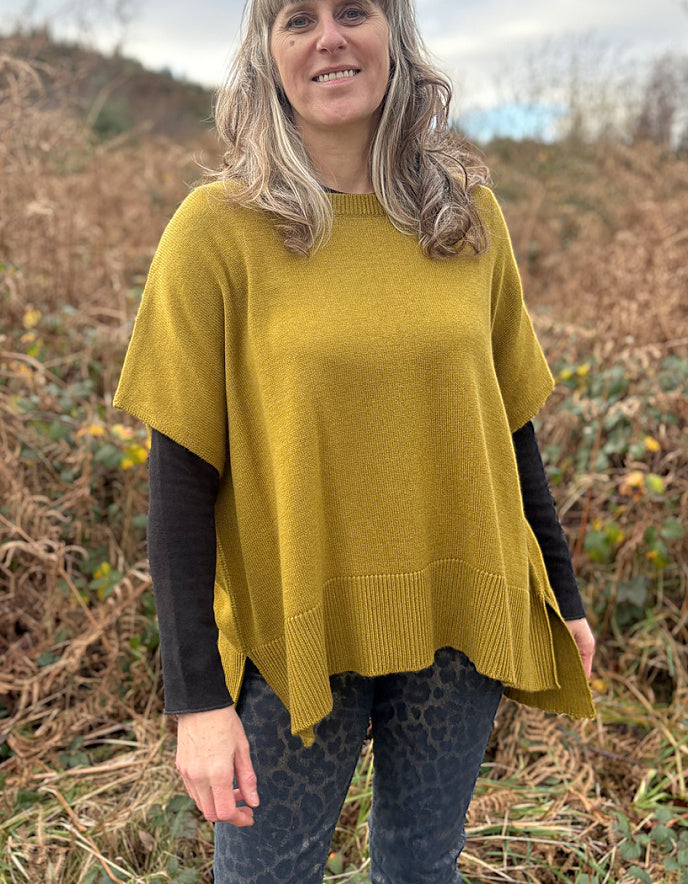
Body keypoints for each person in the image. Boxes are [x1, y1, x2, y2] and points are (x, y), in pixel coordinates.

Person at [114, 0, 596, 880]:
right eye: (297, 18)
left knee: (422, 866)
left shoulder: (467, 215)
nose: (329, 37)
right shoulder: (217, 232)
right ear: (268, 52)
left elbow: (510, 425)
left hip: (459, 614)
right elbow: (178, 484)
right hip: (296, 632)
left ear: (394, 35)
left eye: (353, 11)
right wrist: (196, 703)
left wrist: (563, 594)